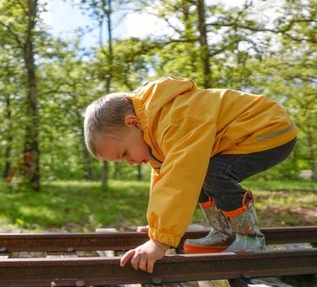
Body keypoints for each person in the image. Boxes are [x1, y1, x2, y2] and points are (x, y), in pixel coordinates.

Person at [84, 76, 297, 274]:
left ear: (132, 123)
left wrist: (159, 242)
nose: (130, 162)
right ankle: (224, 233)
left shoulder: (173, 122)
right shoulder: (153, 129)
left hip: (267, 128)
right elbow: (165, 178)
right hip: (240, 135)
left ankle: (250, 238)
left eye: (125, 154)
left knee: (214, 174)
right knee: (201, 172)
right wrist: (159, 226)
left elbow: (180, 180)